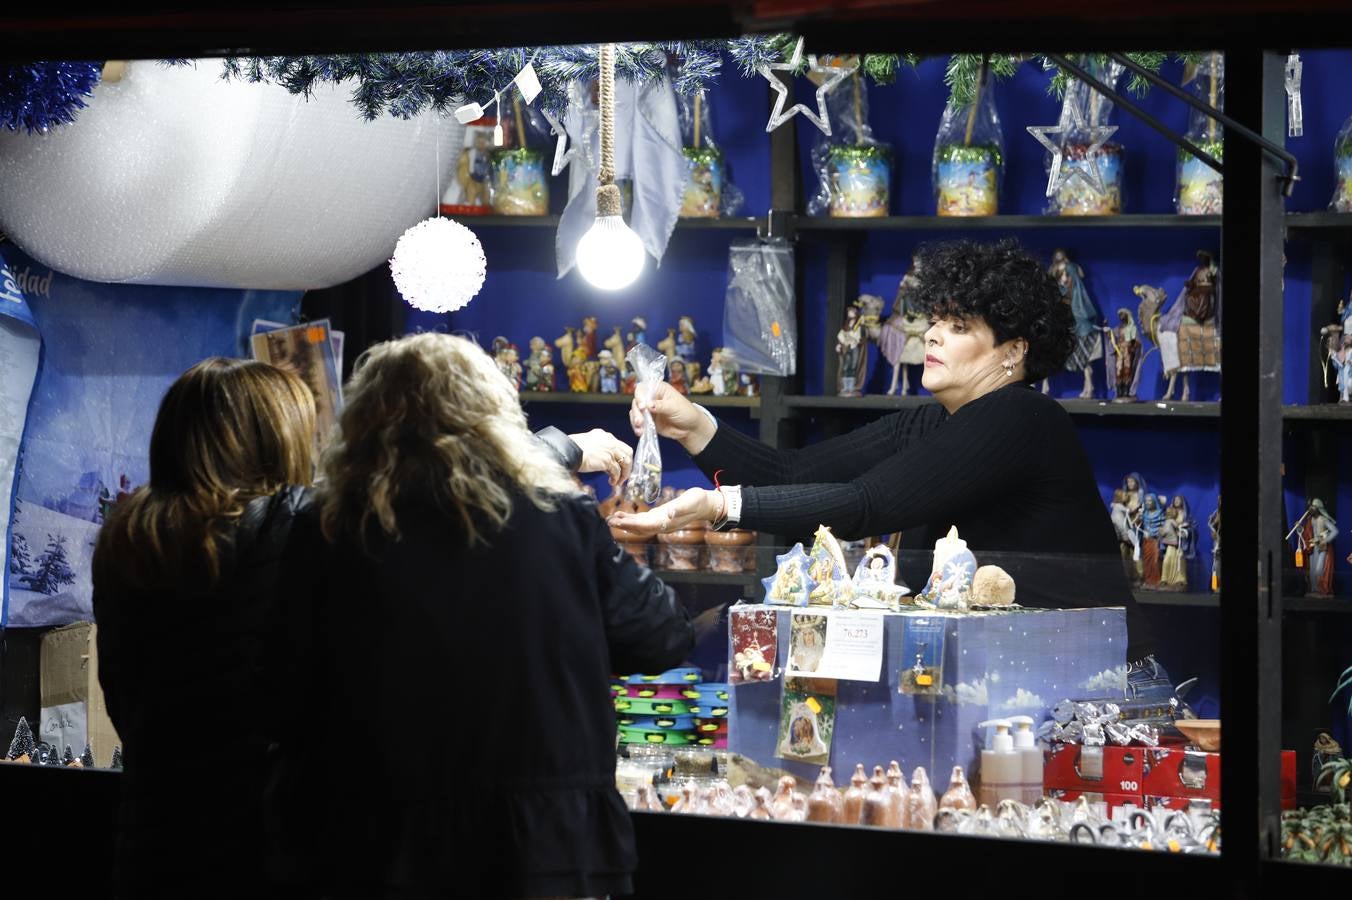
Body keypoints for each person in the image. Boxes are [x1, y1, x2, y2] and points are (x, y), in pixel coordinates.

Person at [275, 333, 693, 898]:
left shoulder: (321, 527)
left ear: (364, 422)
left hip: (370, 841)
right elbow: (662, 634)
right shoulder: (558, 517)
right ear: (493, 418)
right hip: (546, 846)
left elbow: (283, 677)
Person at [610, 238, 1157, 670]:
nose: (934, 335)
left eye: (959, 326)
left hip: (1085, 681)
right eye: (936, 320)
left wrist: (719, 507)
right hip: (1011, 670)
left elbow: (866, 504)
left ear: (1014, 351)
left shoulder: (1024, 416)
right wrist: (693, 424)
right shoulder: (933, 421)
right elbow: (790, 471)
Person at [92, 358, 318, 895]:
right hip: (265, 846)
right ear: (276, 439)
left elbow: (120, 697)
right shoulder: (296, 525)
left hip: (153, 838)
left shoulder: (125, 540)